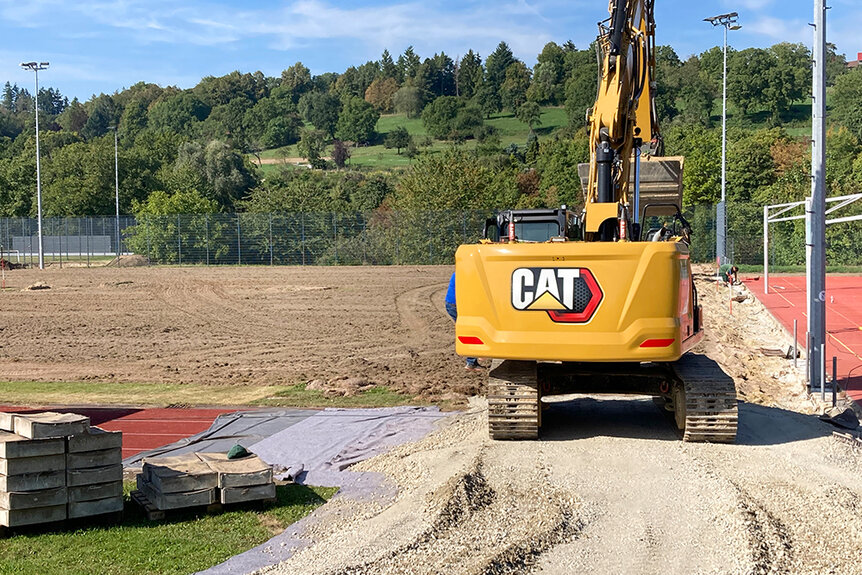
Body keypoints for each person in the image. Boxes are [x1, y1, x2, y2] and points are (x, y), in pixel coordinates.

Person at [445, 273, 483, 371]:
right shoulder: (469, 274)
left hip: (451, 303)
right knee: (470, 331)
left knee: (469, 330)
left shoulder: (460, 271)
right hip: (457, 305)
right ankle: (471, 363)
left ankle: (475, 357)